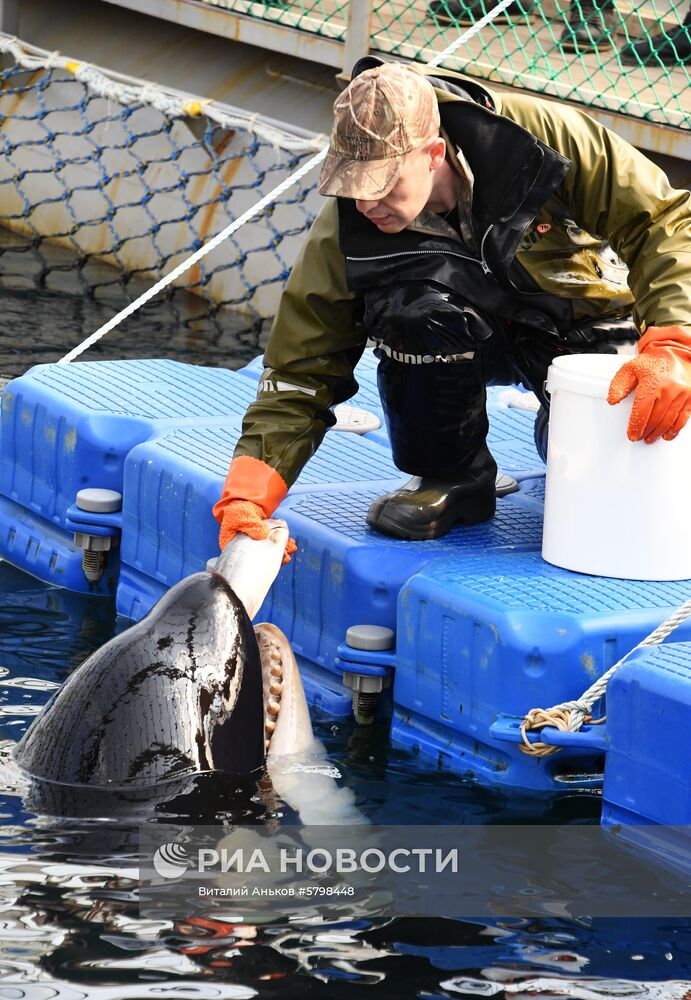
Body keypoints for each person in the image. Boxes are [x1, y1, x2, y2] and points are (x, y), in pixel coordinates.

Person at [213, 59, 691, 547]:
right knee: (409, 311)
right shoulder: (351, 222)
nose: (366, 205)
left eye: (382, 184)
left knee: (607, 465)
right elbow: (300, 369)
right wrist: (248, 497)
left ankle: (569, 429)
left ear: (434, 153)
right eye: (350, 186)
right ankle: (453, 478)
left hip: (581, 322)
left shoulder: (543, 141)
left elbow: (662, 222)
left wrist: (675, 341)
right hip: (453, 333)